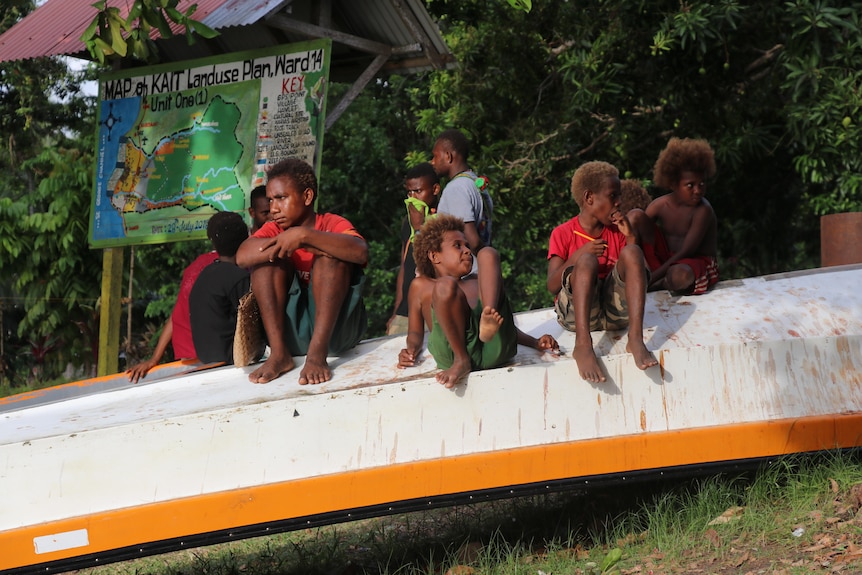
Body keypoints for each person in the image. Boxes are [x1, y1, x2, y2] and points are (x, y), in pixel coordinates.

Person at [236, 158, 368, 385]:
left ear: (307, 196)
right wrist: (284, 242)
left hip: (336, 334)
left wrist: (304, 237)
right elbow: (242, 256)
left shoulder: (331, 223)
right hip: (292, 336)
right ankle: (279, 355)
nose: (273, 208)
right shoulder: (274, 228)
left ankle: (317, 355)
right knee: (264, 265)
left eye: (281, 198)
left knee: (331, 260)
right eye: (270, 200)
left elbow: (360, 251)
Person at [398, 214, 558, 388]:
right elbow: (415, 333)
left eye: (467, 245)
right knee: (446, 285)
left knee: (488, 253)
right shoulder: (421, 286)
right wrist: (411, 351)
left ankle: (486, 313)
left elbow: (502, 324)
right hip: (451, 354)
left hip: (492, 349)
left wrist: (534, 342)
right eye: (457, 246)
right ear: (435, 256)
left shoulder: (477, 281)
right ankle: (461, 359)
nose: (467, 250)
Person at [547, 161, 657, 383]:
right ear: (589, 198)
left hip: (614, 313)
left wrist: (631, 239)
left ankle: (635, 338)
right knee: (587, 260)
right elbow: (551, 286)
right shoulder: (563, 233)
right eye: (613, 196)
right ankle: (583, 345)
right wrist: (579, 254)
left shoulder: (617, 231)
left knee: (633, 252)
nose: (619, 202)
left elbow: (644, 277)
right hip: (577, 316)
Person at [629, 137, 719, 294]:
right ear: (673, 184)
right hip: (666, 259)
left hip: (694, 262)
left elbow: (686, 252)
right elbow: (637, 232)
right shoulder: (661, 205)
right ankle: (637, 276)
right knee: (635, 216)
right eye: (690, 185)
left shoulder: (703, 210)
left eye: (702, 184)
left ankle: (658, 284)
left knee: (679, 276)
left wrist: (650, 280)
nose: (697, 190)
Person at [126, 248, 218, 382]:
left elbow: (175, 316)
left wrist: (154, 359)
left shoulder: (196, 265)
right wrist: (154, 359)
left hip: (191, 359)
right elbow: (176, 316)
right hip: (213, 356)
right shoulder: (234, 262)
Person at [189, 212, 251, 364]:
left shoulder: (206, 273)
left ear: (214, 244)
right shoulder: (238, 277)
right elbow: (252, 322)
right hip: (230, 361)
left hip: (207, 359)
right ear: (245, 241)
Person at [387, 162, 441, 336]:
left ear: (435, 189)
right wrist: (396, 311)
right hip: (405, 313)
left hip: (432, 312)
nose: (412, 197)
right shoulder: (407, 222)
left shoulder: (443, 220)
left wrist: (419, 228)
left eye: (418, 191)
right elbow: (405, 265)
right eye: (409, 192)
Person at [430, 128, 493, 256]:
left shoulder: (456, 188)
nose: (432, 162)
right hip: (482, 270)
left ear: (448, 156)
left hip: (468, 273)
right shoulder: (474, 181)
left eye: (435, 156)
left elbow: (473, 241)